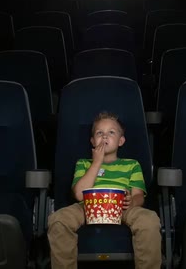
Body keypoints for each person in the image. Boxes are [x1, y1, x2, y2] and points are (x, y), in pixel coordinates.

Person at [47, 111, 162, 269]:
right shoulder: (84, 164)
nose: (105, 136)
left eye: (111, 132)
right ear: (93, 141)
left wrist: (132, 201)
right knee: (59, 219)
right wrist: (97, 162)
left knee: (149, 219)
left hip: (121, 207)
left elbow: (138, 196)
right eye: (100, 133)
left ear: (121, 141)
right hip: (87, 206)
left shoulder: (132, 165)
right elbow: (79, 194)